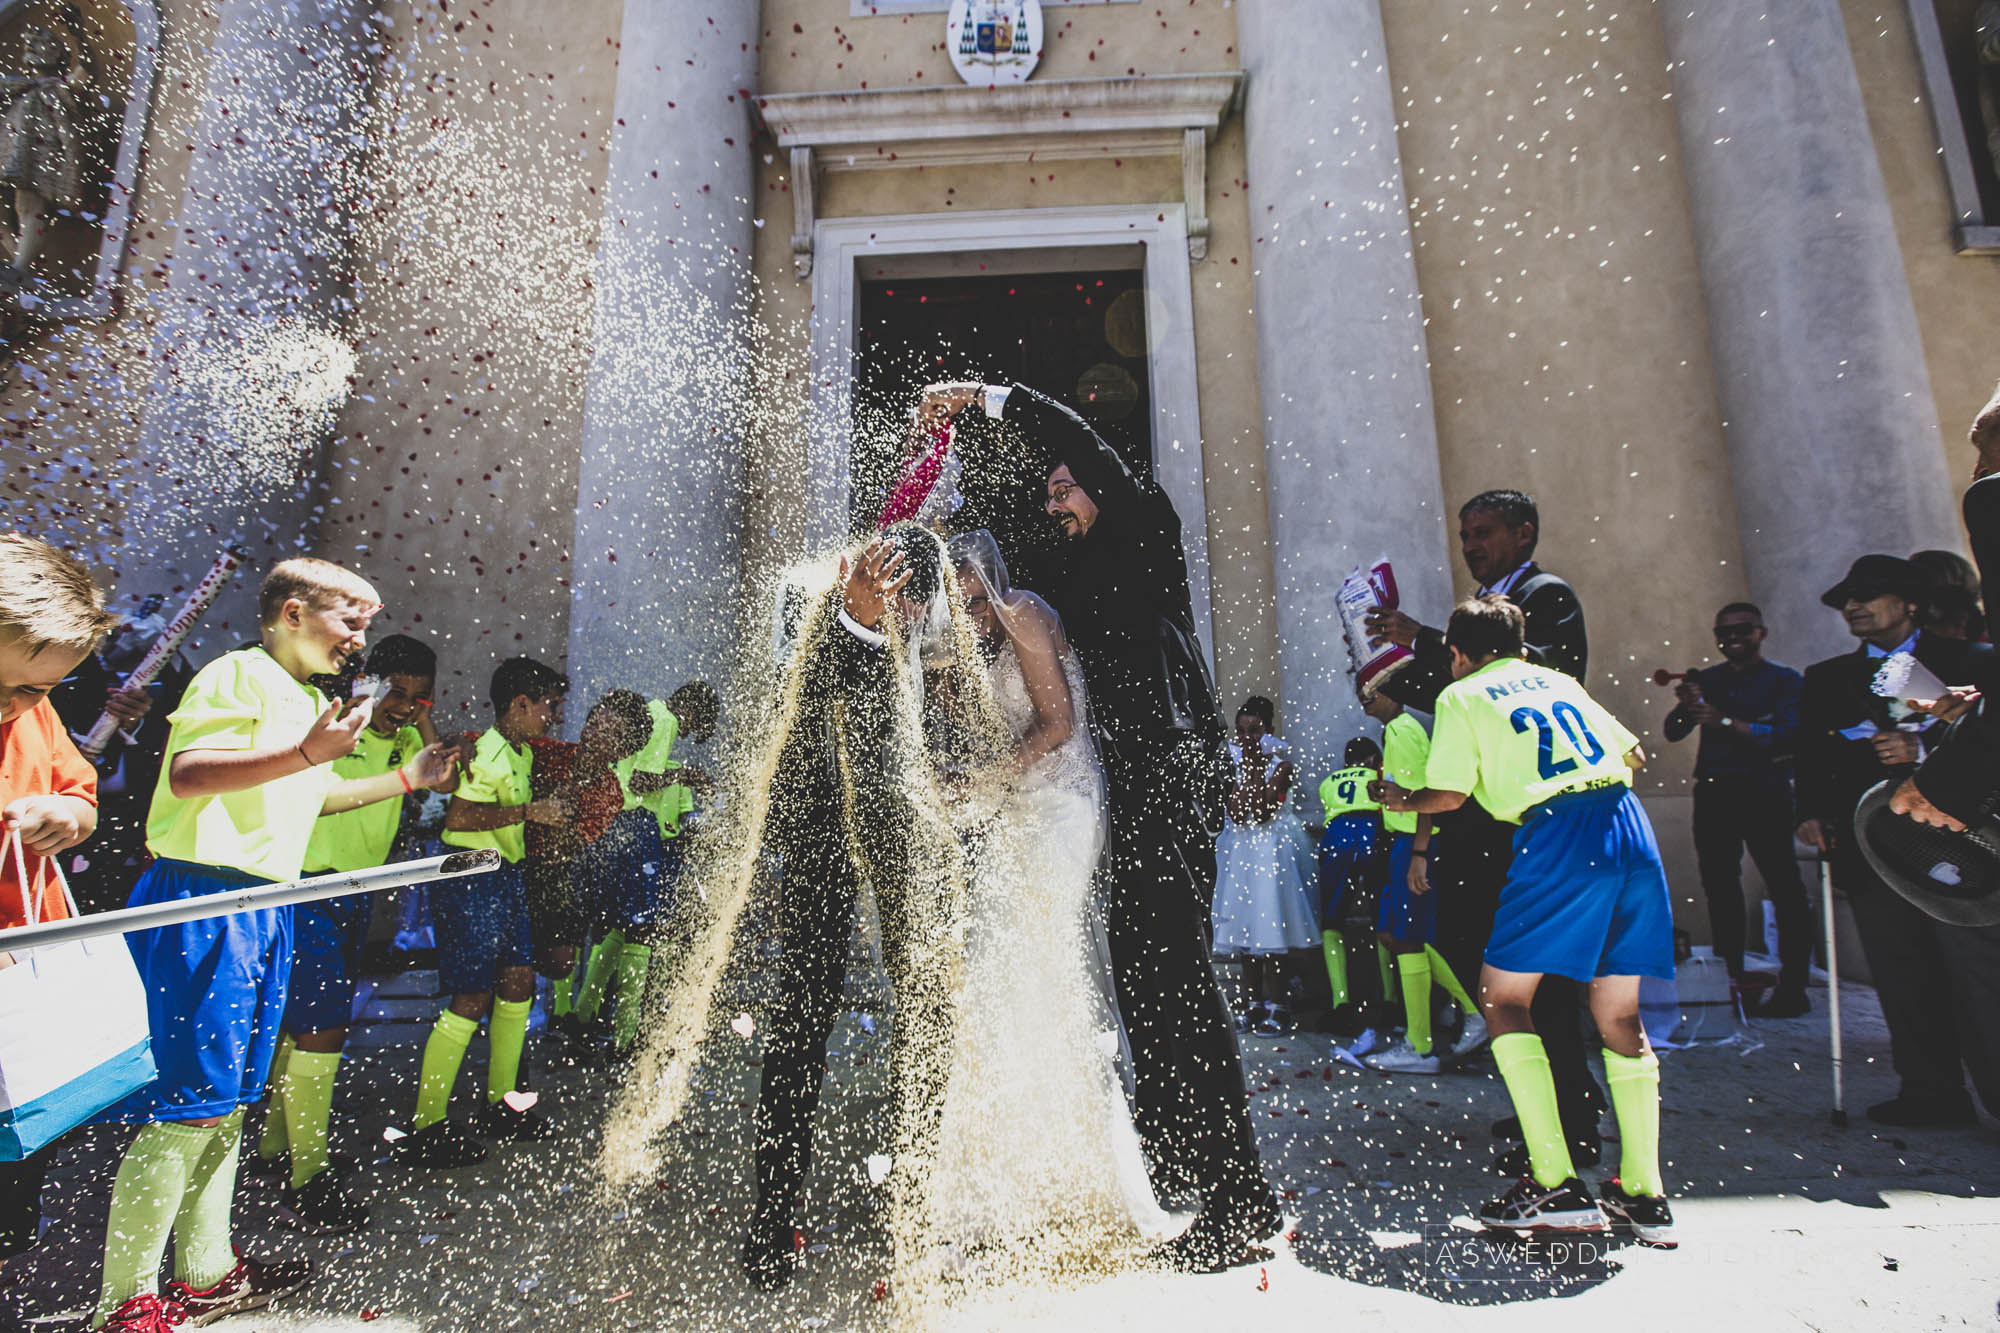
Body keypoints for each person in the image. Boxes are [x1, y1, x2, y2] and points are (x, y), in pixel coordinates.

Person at [916, 381, 1277, 1274]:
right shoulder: (1071, 572)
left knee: (1177, 984)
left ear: (1113, 487)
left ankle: (1239, 1197)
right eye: (1049, 491)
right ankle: (1191, 1180)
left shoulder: (1145, 532)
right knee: (1144, 983)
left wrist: (988, 399)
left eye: (1067, 485)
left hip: (1169, 786)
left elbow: (1079, 440)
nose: (1055, 497)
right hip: (1126, 802)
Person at [91, 558, 453, 1333]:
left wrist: (403, 781)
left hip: (265, 906)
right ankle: (123, 1303)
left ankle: (208, 1273)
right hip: (205, 900)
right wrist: (305, 754)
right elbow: (188, 775)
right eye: (350, 620)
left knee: (228, 1104)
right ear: (292, 612)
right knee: (189, 1106)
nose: (362, 637)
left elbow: (308, 793)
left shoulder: (303, 697)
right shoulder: (237, 673)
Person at [1379, 595, 1676, 1246]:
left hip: (1557, 833)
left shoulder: (1461, 695)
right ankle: (1645, 1194)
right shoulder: (1558, 679)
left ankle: (1555, 1183)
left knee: (1503, 997)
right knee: (1620, 1014)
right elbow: (1634, 757)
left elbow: (1450, 794)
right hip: (1629, 827)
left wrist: (1403, 798)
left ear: (1457, 651)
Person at [924, 530, 1168, 1263]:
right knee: (999, 976)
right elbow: (979, 735)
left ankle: (1085, 1176)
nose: (968, 613)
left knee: (1040, 964)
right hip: (1010, 806)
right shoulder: (952, 640)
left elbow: (1056, 726)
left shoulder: (1025, 612)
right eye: (955, 602)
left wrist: (981, 781)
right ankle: (1013, 1171)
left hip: (1060, 803)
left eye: (973, 597)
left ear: (991, 581)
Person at [743, 524, 973, 1291]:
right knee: (803, 1015)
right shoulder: (806, 600)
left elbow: (921, 690)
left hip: (902, 828)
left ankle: (914, 1198)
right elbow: (799, 700)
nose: (912, 620)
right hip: (819, 831)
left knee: (928, 1007)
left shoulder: (916, 611)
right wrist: (853, 618)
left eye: (921, 609)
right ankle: (772, 1216)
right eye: (904, 603)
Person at [1364, 488, 1605, 1173]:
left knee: (1532, 977)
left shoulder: (1545, 594)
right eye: (1465, 533)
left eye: (1485, 532)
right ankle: (1548, 1101)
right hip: (1475, 819)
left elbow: (1532, 675)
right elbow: (1452, 683)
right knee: (1479, 958)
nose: (1471, 544)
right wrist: (1386, 672)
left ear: (1523, 532)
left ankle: (1568, 1119)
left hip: (1523, 822)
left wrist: (1424, 640)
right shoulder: (1479, 609)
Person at [254, 634, 462, 1232]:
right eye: (396, 690)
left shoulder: (401, 735)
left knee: (305, 1024)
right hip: (307, 886)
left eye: (419, 697)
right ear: (367, 680)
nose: (403, 704)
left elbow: (442, 782)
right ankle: (309, 1180)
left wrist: (421, 723)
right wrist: (403, 770)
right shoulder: (337, 725)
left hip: (352, 891)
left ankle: (279, 1149)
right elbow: (314, 801)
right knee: (322, 1029)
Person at [1797, 555, 1976, 1126]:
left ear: (1910, 603)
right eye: (1847, 597)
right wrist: (1811, 814)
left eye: (1869, 594)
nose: (1854, 606)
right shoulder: (1826, 678)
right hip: (1870, 846)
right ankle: (1930, 1092)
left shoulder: (1967, 661)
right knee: (1900, 973)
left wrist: (1922, 753)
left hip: (1960, 849)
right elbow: (1813, 757)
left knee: (1974, 974)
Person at [0, 535, 114, 1276]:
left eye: (36, 691)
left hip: (22, 980)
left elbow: (82, 796)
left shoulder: (36, 717)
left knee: (15, 1181)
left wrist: (67, 820)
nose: (14, 705)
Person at [405, 656, 569, 1165]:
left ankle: (504, 1102)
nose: (552, 716)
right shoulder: (490, 753)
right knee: (472, 997)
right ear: (520, 704)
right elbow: (459, 815)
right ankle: (426, 1124)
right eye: (548, 706)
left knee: (519, 980)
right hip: (470, 875)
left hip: (506, 875)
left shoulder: (517, 750)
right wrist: (529, 812)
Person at [1661, 603, 1810, 1014]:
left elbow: (1787, 737)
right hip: (1715, 793)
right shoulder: (1707, 680)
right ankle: (1729, 984)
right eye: (1723, 631)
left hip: (1765, 791)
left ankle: (1793, 989)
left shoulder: (1784, 681)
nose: (1732, 638)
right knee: (1720, 888)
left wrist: (1725, 722)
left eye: (1742, 629)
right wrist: (1687, 706)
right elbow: (1673, 732)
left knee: (1784, 887)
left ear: (1761, 632)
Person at [572, 681, 718, 1053]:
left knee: (623, 925)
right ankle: (626, 1036)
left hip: (619, 824)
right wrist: (684, 775)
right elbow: (639, 780)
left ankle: (583, 1013)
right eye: (694, 726)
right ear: (691, 710)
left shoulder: (650, 712)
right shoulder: (665, 719)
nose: (687, 733)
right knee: (643, 928)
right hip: (636, 822)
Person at [522, 690, 654, 1058]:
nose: (597, 736)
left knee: (562, 958)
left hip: (553, 872)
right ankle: (556, 1017)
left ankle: (570, 1017)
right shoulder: (548, 752)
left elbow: (565, 848)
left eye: (612, 734)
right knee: (514, 976)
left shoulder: (608, 791)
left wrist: (555, 807)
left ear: (624, 750)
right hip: (513, 866)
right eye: (595, 724)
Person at [1361, 680, 1483, 1074]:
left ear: (1395, 694)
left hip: (1415, 846)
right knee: (1396, 936)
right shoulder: (1397, 730)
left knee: (1410, 939)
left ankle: (1425, 1042)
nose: (1366, 697)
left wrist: (1418, 853)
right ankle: (1462, 1015)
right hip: (1403, 843)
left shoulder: (1403, 730)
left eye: (1374, 689)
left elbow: (1425, 793)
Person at [50, 596, 196, 915]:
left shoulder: (169, 681)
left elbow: (163, 748)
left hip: (124, 826)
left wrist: (135, 721)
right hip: (54, 818)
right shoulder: (59, 670)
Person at [1211, 696, 1320, 1035]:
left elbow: (1260, 812)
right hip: (1241, 855)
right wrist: (1243, 769)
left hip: (1271, 856)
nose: (1246, 739)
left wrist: (1257, 766)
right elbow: (1237, 810)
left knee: (1270, 930)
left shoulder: (1281, 766)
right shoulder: (1232, 763)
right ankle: (1252, 1003)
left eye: (1254, 731)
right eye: (1241, 731)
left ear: (1268, 730)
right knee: (1243, 933)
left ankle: (1279, 1004)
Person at [1315, 736, 1384, 1030]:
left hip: (1337, 836)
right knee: (1384, 917)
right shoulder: (1376, 776)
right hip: (1372, 831)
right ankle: (1391, 1001)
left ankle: (1340, 1002)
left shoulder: (1329, 781)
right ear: (1372, 760)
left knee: (1332, 921)